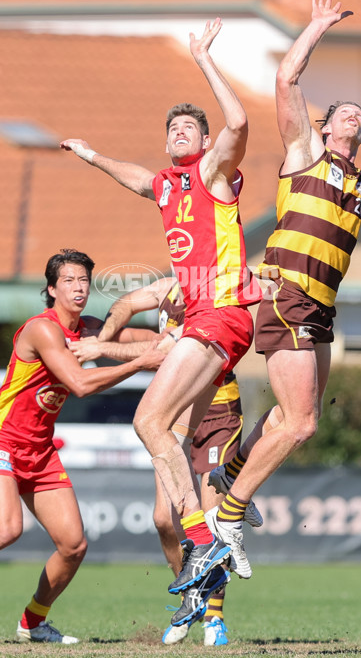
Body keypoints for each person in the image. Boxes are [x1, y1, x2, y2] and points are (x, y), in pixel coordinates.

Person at [206, 0, 361, 573]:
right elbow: (286, 77)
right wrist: (316, 26)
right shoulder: (305, 152)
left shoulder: (359, 184)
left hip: (320, 306)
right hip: (288, 292)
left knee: (293, 415)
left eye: (360, 116)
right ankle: (231, 514)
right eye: (345, 112)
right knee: (303, 422)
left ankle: (230, 471)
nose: (354, 117)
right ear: (323, 125)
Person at [60, 18, 261, 626]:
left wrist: (202, 57)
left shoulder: (210, 175)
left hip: (220, 315)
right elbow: (135, 178)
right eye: (171, 128)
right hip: (208, 322)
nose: (177, 133)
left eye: (188, 128)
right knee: (169, 432)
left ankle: (205, 540)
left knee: (148, 419)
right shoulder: (169, 186)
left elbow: (240, 124)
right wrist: (91, 155)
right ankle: (222, 509)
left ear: (202, 141)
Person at [0, 249, 162, 643]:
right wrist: (138, 363)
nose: (79, 287)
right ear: (51, 289)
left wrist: (180, 335)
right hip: (2, 439)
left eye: (83, 280)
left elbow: (140, 338)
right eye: (69, 280)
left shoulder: (89, 330)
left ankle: (33, 622)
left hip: (40, 448)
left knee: (73, 545)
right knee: (6, 530)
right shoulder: (42, 329)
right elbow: (80, 384)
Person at [69, 276, 261, 645]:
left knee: (209, 518)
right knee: (163, 519)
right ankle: (195, 595)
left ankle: (214, 619)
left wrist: (100, 347)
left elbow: (162, 349)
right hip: (173, 414)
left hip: (217, 412)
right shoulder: (169, 286)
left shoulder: (211, 292)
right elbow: (124, 306)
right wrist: (105, 334)